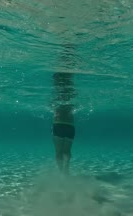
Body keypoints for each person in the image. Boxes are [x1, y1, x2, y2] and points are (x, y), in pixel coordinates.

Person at [52, 44, 76, 175]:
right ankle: (66, 171)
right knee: (67, 152)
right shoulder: (71, 95)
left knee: (59, 152)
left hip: (58, 124)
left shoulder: (56, 97)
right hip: (70, 125)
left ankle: (62, 173)